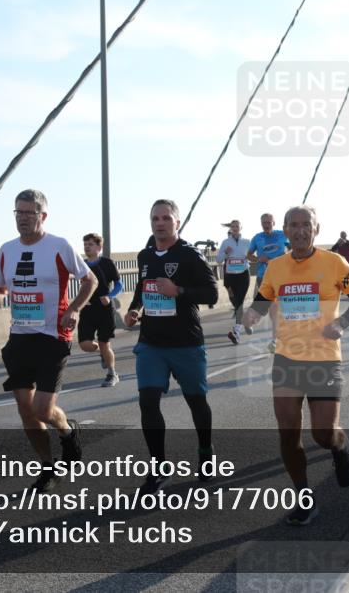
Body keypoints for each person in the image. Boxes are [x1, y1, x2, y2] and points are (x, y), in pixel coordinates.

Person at [0, 189, 97, 492]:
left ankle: (67, 431)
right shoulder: (7, 250)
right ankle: (47, 468)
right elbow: (1, 289)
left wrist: (74, 309)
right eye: (18, 213)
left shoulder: (59, 246)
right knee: (26, 410)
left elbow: (90, 280)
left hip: (53, 336)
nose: (22, 218)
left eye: (28, 213)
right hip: (20, 338)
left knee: (42, 411)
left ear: (42, 216)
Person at [243, 205, 349, 526]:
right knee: (288, 433)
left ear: (316, 229)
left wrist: (341, 323)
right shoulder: (275, 267)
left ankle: (340, 446)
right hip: (287, 359)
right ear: (284, 231)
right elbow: (262, 299)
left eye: (306, 225)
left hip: (325, 359)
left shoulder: (334, 262)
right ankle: (303, 497)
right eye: (294, 225)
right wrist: (252, 315)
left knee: (323, 434)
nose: (300, 230)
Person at [125, 199, 219, 495]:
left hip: (185, 343)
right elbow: (143, 290)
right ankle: (158, 468)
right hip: (151, 343)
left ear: (177, 222)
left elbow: (212, 293)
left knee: (196, 402)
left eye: (166, 218)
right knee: (148, 402)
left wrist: (178, 290)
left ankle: (205, 450)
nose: (160, 222)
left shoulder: (190, 255)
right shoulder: (145, 255)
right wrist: (134, 309)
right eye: (155, 218)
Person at [80, 233, 122, 387]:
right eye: (85, 244)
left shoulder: (107, 263)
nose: (87, 247)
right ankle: (103, 353)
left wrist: (110, 296)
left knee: (105, 343)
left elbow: (119, 285)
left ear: (99, 247)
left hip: (104, 309)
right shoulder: (81, 265)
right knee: (85, 345)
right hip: (88, 309)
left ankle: (112, 374)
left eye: (90, 244)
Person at [247, 213, 291, 352]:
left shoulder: (282, 235)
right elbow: (248, 255)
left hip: (281, 276)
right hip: (263, 276)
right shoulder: (257, 238)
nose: (266, 225)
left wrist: (286, 257)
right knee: (267, 307)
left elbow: (293, 248)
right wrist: (258, 259)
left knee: (274, 309)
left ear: (274, 222)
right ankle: (250, 320)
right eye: (264, 223)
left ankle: (274, 340)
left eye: (268, 222)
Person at [217, 220, 252, 345]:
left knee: (240, 302)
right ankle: (245, 321)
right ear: (230, 229)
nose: (235, 228)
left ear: (241, 227)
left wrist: (248, 258)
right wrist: (226, 253)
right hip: (230, 277)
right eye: (233, 226)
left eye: (237, 226)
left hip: (243, 275)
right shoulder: (225, 242)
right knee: (234, 301)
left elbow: (253, 256)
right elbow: (219, 260)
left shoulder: (247, 242)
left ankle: (236, 332)